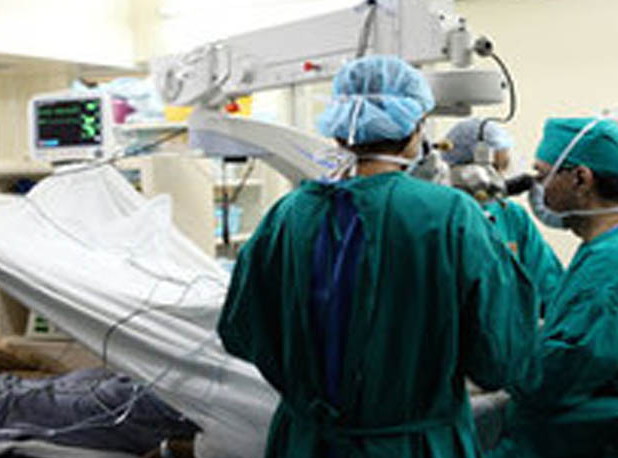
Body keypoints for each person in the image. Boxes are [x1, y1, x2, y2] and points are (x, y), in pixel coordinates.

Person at [217, 55, 541, 458]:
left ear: (339, 133)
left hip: (307, 442)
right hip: (414, 445)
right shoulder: (452, 215)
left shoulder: (288, 215)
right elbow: (500, 357)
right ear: (416, 128)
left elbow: (240, 331)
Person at [492, 118, 618, 458]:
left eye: (542, 175)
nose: (536, 189)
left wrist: (501, 361)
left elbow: (556, 377)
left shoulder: (617, 263)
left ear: (580, 178)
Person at [443, 118, 564, 306]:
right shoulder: (440, 217)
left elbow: (550, 285)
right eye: (492, 169)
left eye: (502, 168)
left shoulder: (510, 215)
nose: (497, 179)